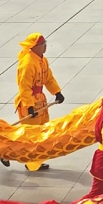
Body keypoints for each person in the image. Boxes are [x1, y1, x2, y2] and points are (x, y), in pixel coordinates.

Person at [6, 33, 64, 171]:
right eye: (43, 44)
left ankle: (35, 161)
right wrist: (29, 106)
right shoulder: (27, 64)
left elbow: (48, 78)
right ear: (34, 46)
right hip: (29, 103)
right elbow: (24, 87)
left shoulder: (42, 60)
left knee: (41, 133)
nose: (45, 46)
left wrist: (57, 92)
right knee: (30, 135)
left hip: (40, 101)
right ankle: (7, 152)